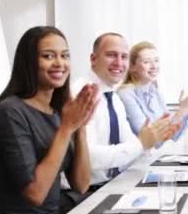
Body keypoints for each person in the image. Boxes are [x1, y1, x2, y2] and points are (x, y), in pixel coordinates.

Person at [0, 26, 98, 214]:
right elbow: (35, 193)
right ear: (29, 62)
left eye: (65, 55)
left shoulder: (57, 110)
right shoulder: (10, 112)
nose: (60, 63)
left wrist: (81, 127)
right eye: (48, 56)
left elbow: (81, 184)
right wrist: (67, 127)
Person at [70, 33, 174, 193]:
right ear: (93, 59)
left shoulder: (113, 98)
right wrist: (141, 144)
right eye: (111, 55)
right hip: (82, 194)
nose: (119, 63)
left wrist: (151, 140)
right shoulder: (80, 93)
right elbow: (89, 158)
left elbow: (130, 145)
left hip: (109, 185)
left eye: (124, 57)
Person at [117, 41, 188, 147]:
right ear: (132, 67)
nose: (154, 66)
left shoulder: (155, 93)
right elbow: (150, 140)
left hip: (155, 158)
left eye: (156, 61)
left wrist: (187, 108)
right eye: (147, 62)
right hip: (136, 160)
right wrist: (182, 110)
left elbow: (173, 136)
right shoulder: (125, 94)